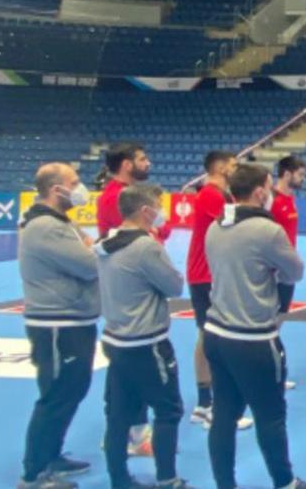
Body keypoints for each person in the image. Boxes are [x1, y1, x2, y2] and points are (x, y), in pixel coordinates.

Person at [202, 164, 306, 489]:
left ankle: (225, 483)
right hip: (254, 338)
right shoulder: (267, 231)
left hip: (217, 333)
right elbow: (295, 271)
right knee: (271, 416)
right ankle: (284, 482)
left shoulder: (215, 226)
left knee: (223, 414)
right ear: (261, 191)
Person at [94, 183, 192, 489]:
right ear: (146, 211)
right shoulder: (146, 246)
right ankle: (167, 479)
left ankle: (119, 480)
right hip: (147, 342)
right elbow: (174, 286)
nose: (162, 212)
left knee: (119, 414)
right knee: (168, 409)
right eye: (158, 205)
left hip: (115, 337)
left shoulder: (105, 241)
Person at [17, 163, 99, 489]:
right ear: (56, 189)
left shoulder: (58, 222)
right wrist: (90, 248)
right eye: (75, 183)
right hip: (56, 323)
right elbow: (90, 264)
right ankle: (34, 473)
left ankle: (51, 454)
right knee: (56, 395)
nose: (81, 189)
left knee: (72, 390)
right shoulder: (46, 227)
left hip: (72, 318)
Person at [187, 151, 239, 430]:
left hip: (214, 272)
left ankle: (207, 401)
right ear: (219, 167)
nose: (236, 168)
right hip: (204, 274)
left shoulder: (220, 195)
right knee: (208, 335)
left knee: (212, 334)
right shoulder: (210, 195)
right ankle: (205, 402)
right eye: (233, 164)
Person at [96, 143, 161, 241]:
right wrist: (154, 229)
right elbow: (137, 235)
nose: (148, 163)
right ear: (127, 165)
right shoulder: (115, 197)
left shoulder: (132, 192)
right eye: (142, 159)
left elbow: (163, 230)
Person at [271, 156, 306, 247]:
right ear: (287, 174)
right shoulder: (271, 200)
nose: (303, 179)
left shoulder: (291, 198)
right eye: (300, 175)